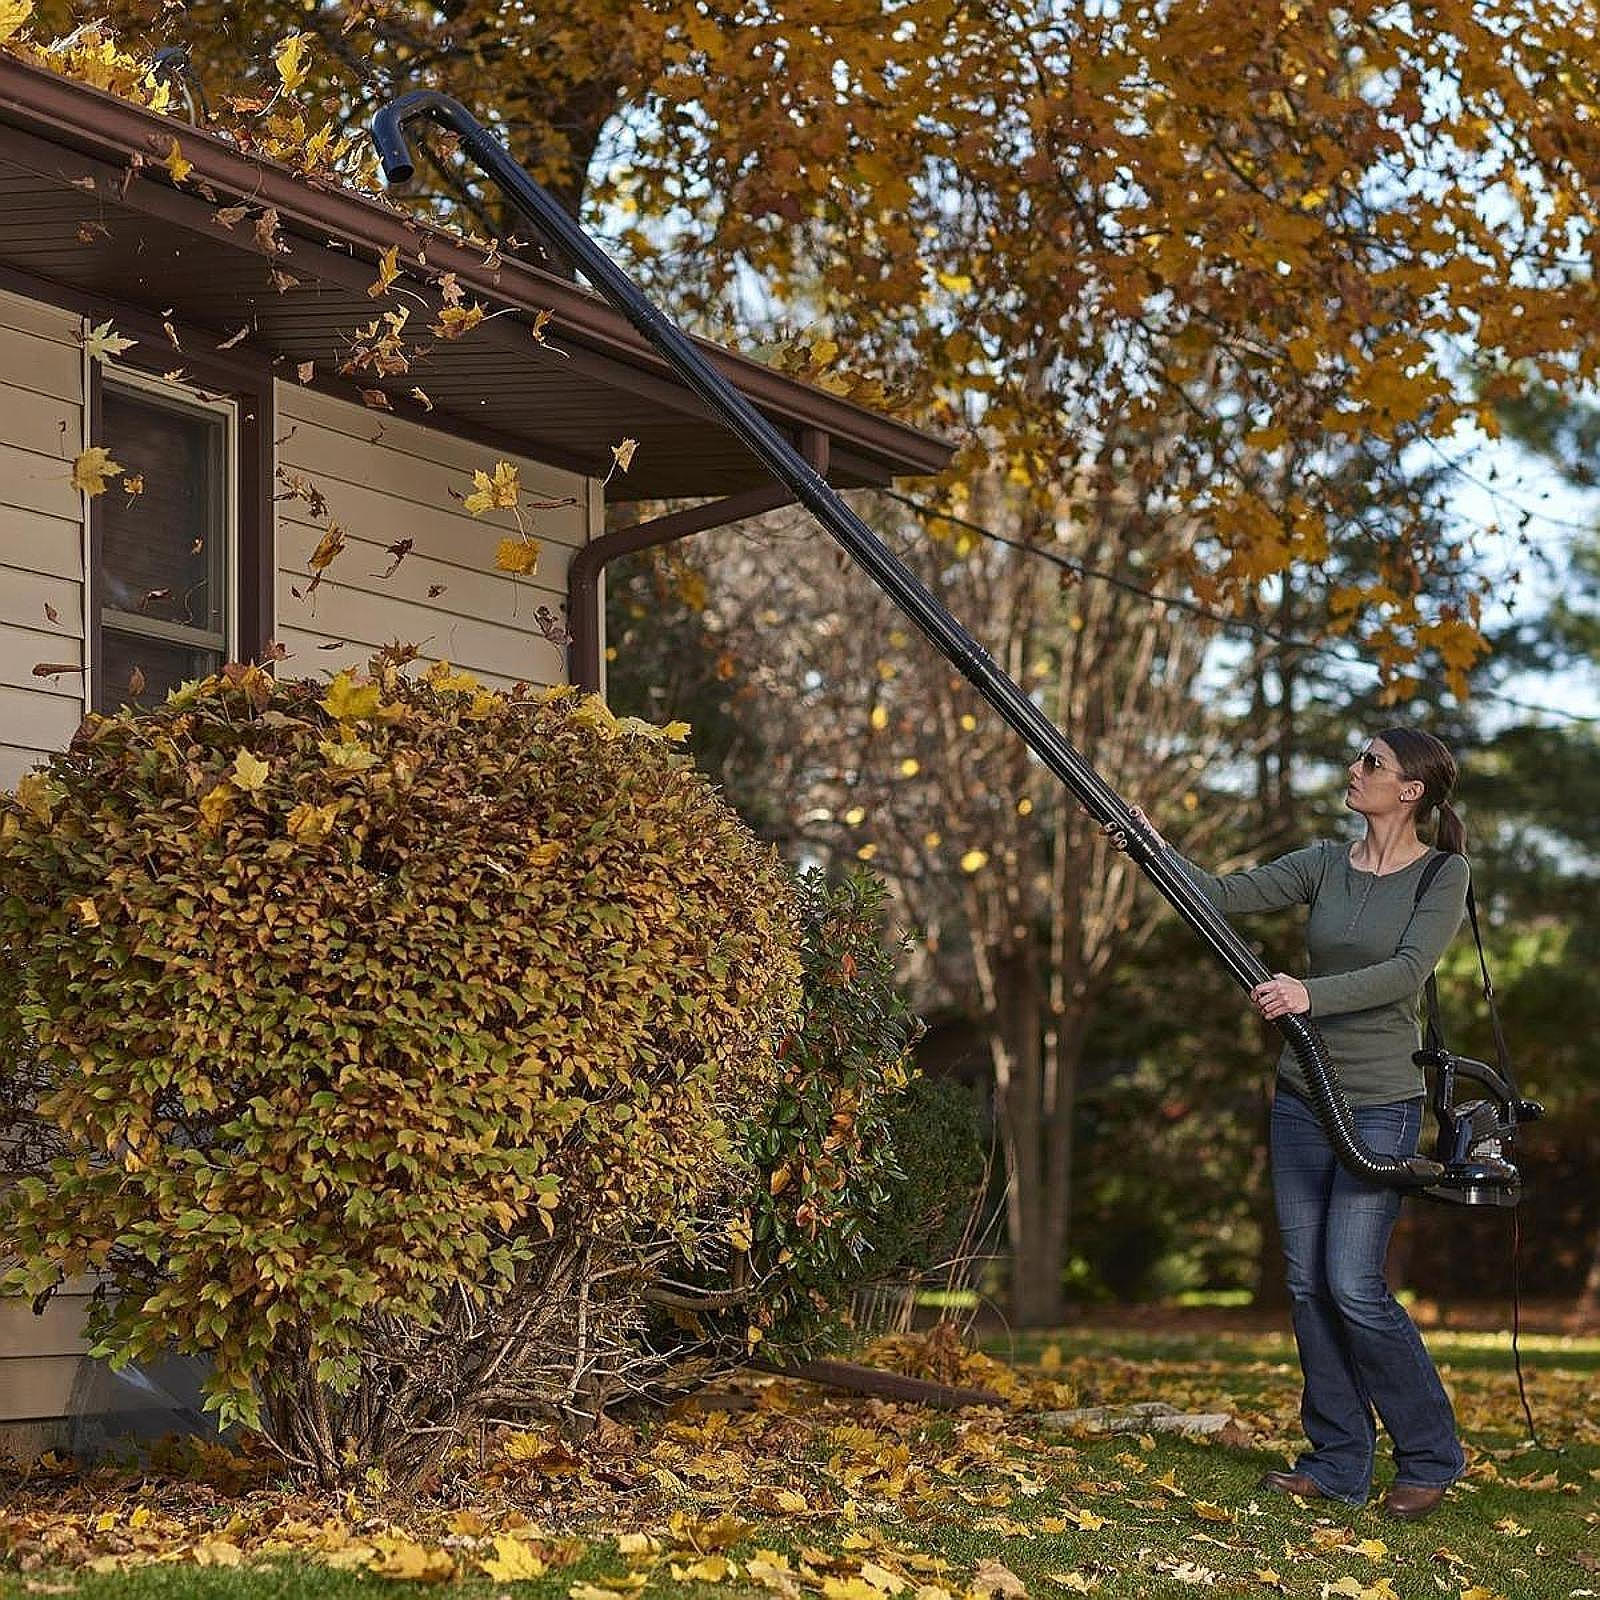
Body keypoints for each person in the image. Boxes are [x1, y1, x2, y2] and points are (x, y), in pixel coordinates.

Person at [1108, 728, 1470, 1520]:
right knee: (1308, 1284)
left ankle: (1433, 1455)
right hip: (1303, 1095)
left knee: (1353, 1283)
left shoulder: (1444, 875)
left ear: (1410, 790)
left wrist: (1308, 994)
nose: (1356, 769)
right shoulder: (1322, 863)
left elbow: (1408, 971)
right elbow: (1221, 895)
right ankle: (1338, 1461)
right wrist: (1150, 849)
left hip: (1378, 1101)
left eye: (1372, 762)